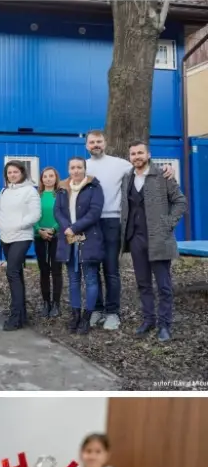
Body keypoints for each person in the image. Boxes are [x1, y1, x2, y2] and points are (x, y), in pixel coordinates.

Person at [83, 129, 176, 331]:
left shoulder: (121, 165)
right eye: (92, 142)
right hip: (90, 224)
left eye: (99, 141)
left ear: (105, 143)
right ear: (86, 145)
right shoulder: (83, 167)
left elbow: (146, 167)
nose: (96, 145)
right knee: (92, 268)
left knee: (111, 269)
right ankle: (97, 309)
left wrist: (167, 167)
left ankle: (112, 312)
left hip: (113, 221)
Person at [120, 140, 188, 342]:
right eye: (133, 154)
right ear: (130, 157)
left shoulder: (162, 175)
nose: (137, 157)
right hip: (136, 238)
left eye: (140, 153)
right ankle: (148, 320)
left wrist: (168, 223)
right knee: (143, 283)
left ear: (148, 155)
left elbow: (180, 202)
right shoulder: (127, 178)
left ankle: (164, 324)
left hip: (159, 238)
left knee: (164, 285)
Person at [55, 157, 106, 335]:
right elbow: (58, 211)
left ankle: (87, 317)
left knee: (91, 279)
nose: (76, 170)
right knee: (73, 280)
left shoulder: (94, 187)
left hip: (88, 238)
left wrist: (75, 228)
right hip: (69, 239)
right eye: (72, 167)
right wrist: (67, 228)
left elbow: (95, 212)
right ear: (68, 169)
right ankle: (75, 315)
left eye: (79, 167)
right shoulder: (62, 188)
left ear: (84, 168)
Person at [0, 160, 41, 331]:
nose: (12, 175)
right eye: (9, 172)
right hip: (5, 236)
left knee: (12, 272)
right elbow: (0, 212)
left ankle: (15, 317)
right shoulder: (4, 191)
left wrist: (18, 224)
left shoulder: (30, 191)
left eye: (15, 172)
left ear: (22, 173)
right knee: (17, 273)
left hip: (22, 235)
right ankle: (22, 314)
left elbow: (35, 214)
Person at [34, 167, 64, 319]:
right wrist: (39, 230)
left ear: (56, 178)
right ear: (41, 179)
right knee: (44, 270)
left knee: (56, 270)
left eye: (51, 176)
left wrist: (53, 229)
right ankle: (46, 303)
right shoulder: (36, 195)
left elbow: (64, 214)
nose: (48, 179)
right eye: (45, 176)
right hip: (39, 235)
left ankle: (56, 304)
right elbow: (32, 215)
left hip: (56, 235)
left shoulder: (60, 195)